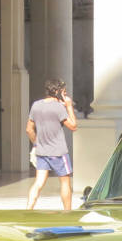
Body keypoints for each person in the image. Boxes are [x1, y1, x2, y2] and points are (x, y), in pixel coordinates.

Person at [26, 78, 77, 210]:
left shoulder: (36, 105)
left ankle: (28, 208)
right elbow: (73, 126)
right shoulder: (59, 107)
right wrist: (69, 106)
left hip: (42, 152)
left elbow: (29, 129)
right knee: (65, 182)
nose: (65, 95)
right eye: (64, 92)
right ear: (57, 91)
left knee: (38, 182)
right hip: (59, 152)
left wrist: (36, 144)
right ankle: (67, 212)